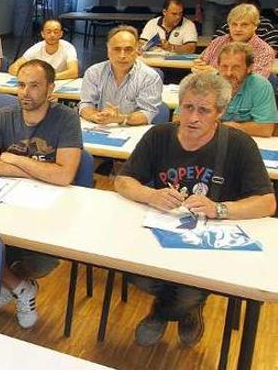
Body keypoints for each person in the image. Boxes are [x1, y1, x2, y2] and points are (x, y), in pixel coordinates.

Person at [115, 71, 275, 347]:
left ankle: (162, 313)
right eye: (188, 107)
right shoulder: (159, 135)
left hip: (208, 242)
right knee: (134, 273)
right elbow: (122, 180)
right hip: (158, 233)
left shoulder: (238, 144)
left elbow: (266, 202)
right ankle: (184, 307)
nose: (193, 118)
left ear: (220, 112)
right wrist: (151, 194)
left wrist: (220, 209)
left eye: (204, 110)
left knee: (189, 289)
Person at [0, 59, 82, 328]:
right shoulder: (4, 117)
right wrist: (37, 170)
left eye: (34, 86)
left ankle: (4, 277)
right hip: (3, 200)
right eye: (21, 85)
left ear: (50, 88)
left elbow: (64, 175)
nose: (25, 92)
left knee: (41, 260)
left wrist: (15, 160)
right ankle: (20, 287)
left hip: (46, 212)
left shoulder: (66, 119)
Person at [79, 25, 163, 126]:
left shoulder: (150, 77)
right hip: (99, 128)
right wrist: (94, 116)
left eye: (128, 49)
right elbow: (86, 104)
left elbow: (147, 114)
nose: (122, 55)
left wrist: (119, 119)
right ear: (108, 50)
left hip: (133, 130)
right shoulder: (93, 72)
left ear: (137, 50)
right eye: (116, 49)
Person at [196, 3, 274, 78]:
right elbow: (201, 62)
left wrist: (217, 74)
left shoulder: (264, 51)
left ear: (255, 26)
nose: (238, 29)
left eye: (244, 25)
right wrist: (198, 67)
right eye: (234, 24)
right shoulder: (217, 42)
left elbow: (254, 84)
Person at [216, 42, 278, 137]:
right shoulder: (207, 84)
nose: (228, 73)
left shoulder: (260, 85)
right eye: (224, 67)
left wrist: (231, 127)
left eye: (235, 67)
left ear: (249, 68)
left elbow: (266, 129)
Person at [8, 19, 78, 79]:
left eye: (56, 32)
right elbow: (13, 68)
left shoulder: (68, 47)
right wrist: (30, 77)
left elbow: (74, 72)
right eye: (48, 32)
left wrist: (47, 78)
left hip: (60, 83)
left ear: (61, 34)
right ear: (42, 34)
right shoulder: (36, 48)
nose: (52, 35)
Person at [213, 0, 278, 49]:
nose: (238, 29)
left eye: (244, 25)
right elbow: (212, 50)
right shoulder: (227, 25)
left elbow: (273, 48)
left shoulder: (267, 26)